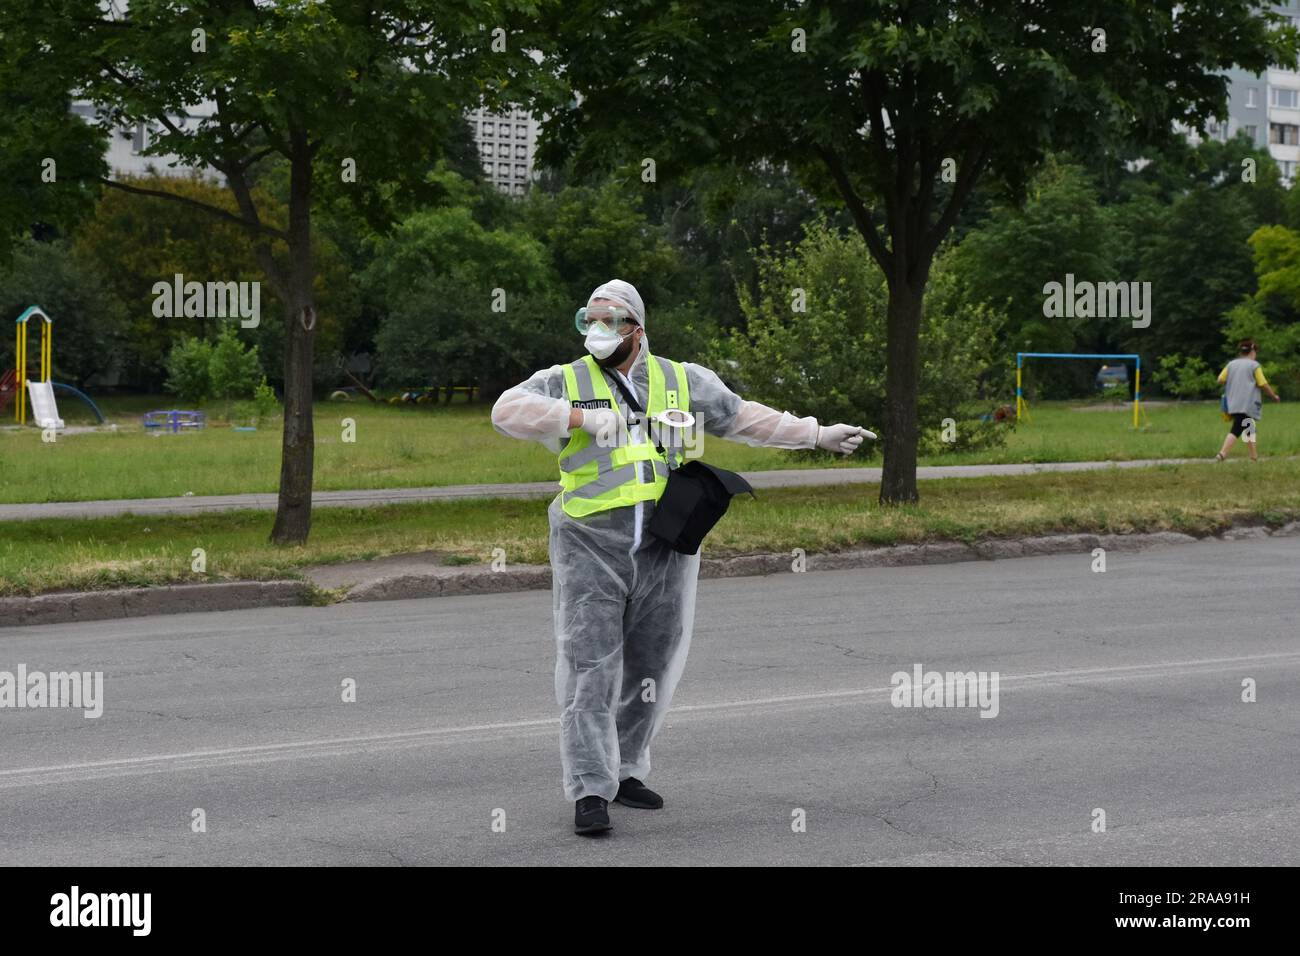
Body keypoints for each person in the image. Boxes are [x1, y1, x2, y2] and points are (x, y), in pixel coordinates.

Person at [491, 279, 873, 835]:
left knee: (651, 664)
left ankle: (625, 770)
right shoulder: (565, 380)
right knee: (589, 667)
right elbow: (507, 410)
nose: (597, 331)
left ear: (636, 329)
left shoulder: (680, 380)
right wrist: (577, 418)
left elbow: (742, 417)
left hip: (665, 544)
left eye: (609, 321)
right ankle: (590, 788)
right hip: (589, 541)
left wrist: (816, 434)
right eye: (588, 321)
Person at [1214, 339, 1280, 462]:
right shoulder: (1254, 366)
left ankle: (1254, 457)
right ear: (1253, 351)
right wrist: (1273, 396)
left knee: (1249, 427)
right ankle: (1222, 454)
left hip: (1233, 402)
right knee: (1237, 428)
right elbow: (1263, 384)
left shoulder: (1231, 364)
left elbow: (1220, 380)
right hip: (1248, 404)